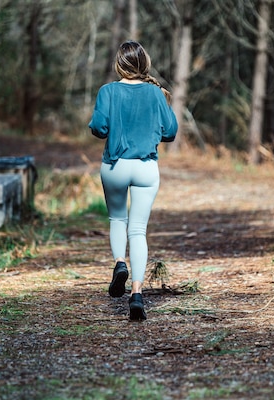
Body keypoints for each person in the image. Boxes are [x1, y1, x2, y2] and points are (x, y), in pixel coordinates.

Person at [88, 40, 178, 321]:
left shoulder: (107, 91)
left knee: (118, 220)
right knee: (138, 230)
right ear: (144, 65)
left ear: (119, 64)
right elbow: (171, 131)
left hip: (115, 166)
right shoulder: (155, 93)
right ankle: (137, 295)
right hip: (145, 168)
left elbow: (99, 128)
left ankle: (119, 264)